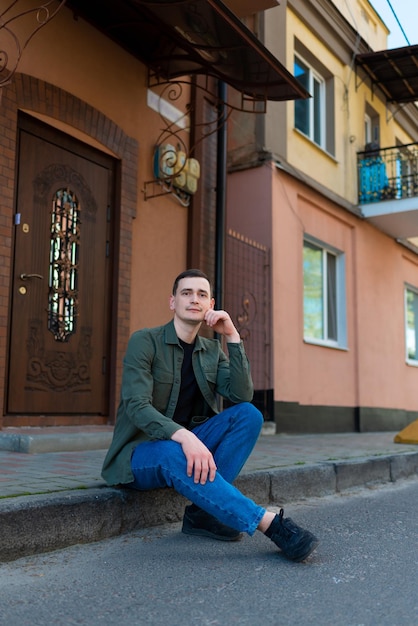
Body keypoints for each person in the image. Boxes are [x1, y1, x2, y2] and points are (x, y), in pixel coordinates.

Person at [102, 269, 319, 562]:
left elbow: (241, 395)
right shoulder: (145, 341)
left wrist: (232, 335)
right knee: (169, 451)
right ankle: (270, 524)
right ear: (172, 302)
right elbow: (136, 405)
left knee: (249, 415)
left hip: (189, 444)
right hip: (141, 453)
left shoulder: (211, 351)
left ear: (211, 304)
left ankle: (203, 515)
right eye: (186, 293)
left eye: (201, 294)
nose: (194, 299)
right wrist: (184, 437)